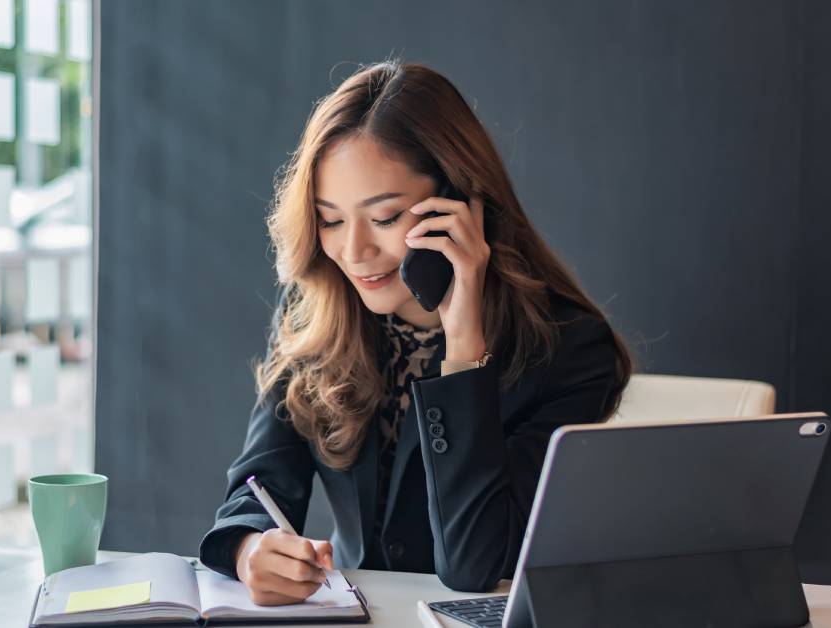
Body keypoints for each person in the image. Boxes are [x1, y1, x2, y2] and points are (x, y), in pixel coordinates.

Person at [198, 59, 632, 604]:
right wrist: (247, 547)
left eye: (384, 218)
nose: (353, 253)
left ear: (461, 205)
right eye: (330, 219)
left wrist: (464, 347)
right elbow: (261, 480)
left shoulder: (567, 349)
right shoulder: (318, 310)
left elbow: (475, 565)